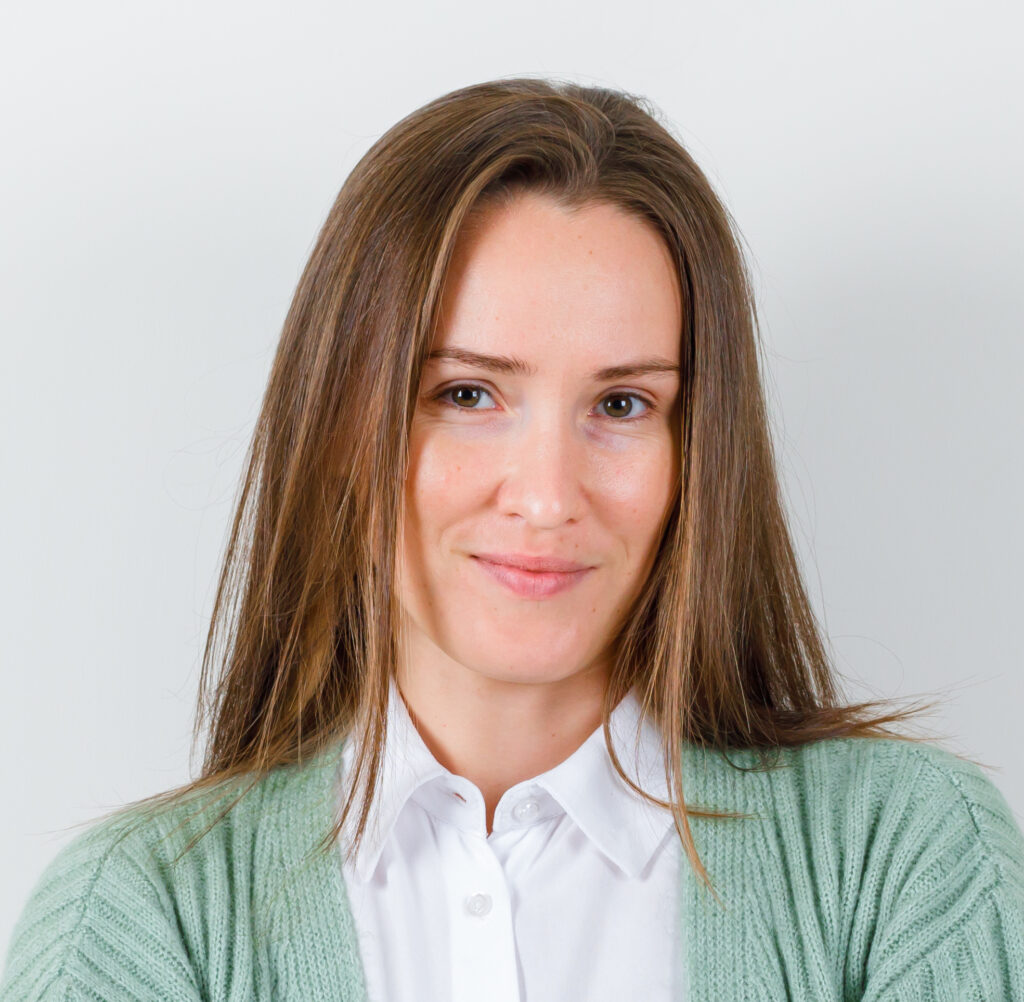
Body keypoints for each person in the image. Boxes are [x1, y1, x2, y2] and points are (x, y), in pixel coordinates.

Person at [3, 76, 1023, 1002]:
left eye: (622, 403)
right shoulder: (136, 922)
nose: (545, 498)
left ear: (695, 452)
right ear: (341, 425)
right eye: (466, 394)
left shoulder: (907, 860)